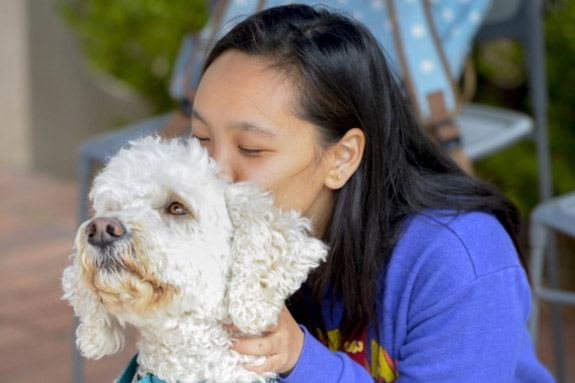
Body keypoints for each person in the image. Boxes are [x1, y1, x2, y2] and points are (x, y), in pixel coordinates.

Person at [190, 4, 554, 382]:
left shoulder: (460, 257)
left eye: (250, 148)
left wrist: (298, 357)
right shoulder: (225, 239)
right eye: (200, 139)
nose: (209, 173)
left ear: (341, 158)